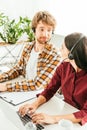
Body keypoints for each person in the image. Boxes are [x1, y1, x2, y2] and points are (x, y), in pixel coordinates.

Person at [19, 32, 87, 125]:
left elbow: (85, 113)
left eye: (62, 47)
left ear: (71, 54)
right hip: (66, 113)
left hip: (80, 122)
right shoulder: (63, 67)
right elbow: (49, 90)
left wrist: (53, 119)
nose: (60, 49)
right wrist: (34, 104)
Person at [0, 11, 60, 92]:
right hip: (26, 90)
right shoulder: (28, 47)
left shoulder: (55, 54)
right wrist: (1, 78)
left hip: (42, 95)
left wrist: (6, 87)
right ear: (34, 30)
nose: (45, 34)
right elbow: (18, 69)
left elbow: (38, 84)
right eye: (42, 29)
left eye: (49, 30)